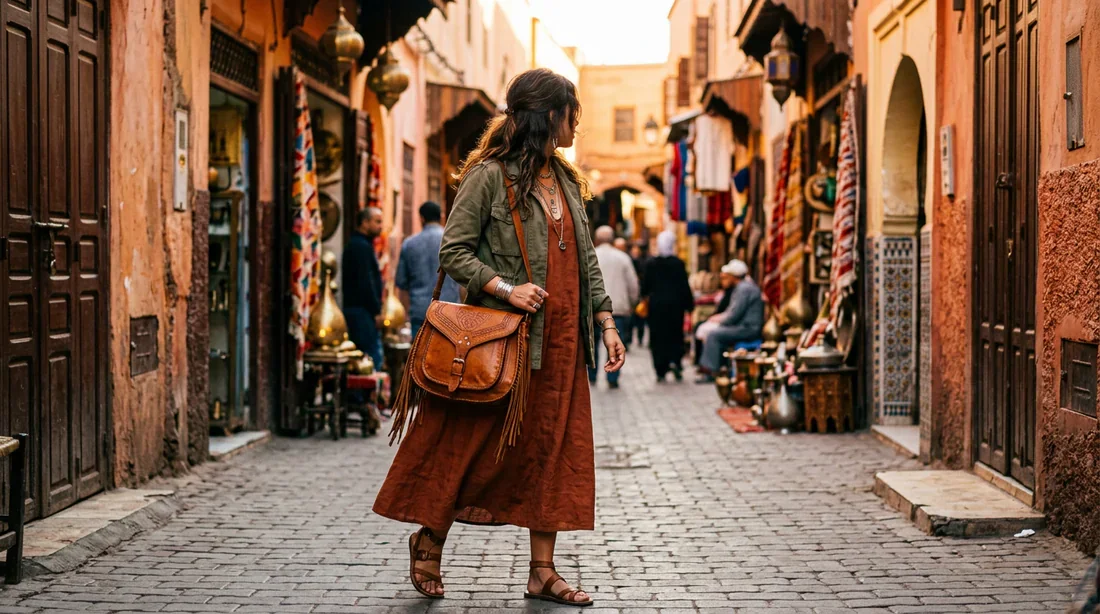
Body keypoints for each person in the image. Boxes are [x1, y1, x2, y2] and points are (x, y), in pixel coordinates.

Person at [373, 68, 624, 607]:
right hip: (504, 343)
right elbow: (453, 251)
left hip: (561, 346)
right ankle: (430, 540)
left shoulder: (569, 182)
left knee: (551, 453)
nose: (576, 122)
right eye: (570, 112)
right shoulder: (489, 176)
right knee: (470, 447)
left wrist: (605, 322)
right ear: (548, 116)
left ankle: (542, 571)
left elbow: (586, 263)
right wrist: (506, 288)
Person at [395, 201, 461, 339]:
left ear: (422, 218)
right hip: (450, 311)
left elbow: (401, 281)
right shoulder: (453, 241)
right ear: (442, 217)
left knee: (419, 357)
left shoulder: (409, 244)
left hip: (421, 312)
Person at [697, 259, 764, 383]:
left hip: (748, 328)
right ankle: (716, 366)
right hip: (745, 326)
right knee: (714, 332)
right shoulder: (743, 287)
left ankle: (711, 370)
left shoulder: (744, 289)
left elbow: (734, 314)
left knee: (714, 335)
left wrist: (720, 321)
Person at [641, 231, 694, 382]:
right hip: (675, 307)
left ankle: (660, 368)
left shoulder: (651, 264)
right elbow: (684, 286)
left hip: (657, 307)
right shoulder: (678, 264)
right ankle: (676, 362)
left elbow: (645, 287)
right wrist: (689, 306)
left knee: (658, 337)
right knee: (675, 335)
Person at [589, 226, 638, 388]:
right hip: (618, 308)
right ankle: (613, 376)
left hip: (593, 309)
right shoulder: (623, 258)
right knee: (616, 343)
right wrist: (632, 303)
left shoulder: (591, 255)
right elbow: (633, 285)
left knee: (593, 342)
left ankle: (592, 374)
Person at [343, 207, 385, 369]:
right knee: (369, 360)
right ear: (365, 223)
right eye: (377, 221)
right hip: (362, 312)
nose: (380, 226)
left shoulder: (361, 245)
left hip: (360, 311)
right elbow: (366, 283)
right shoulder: (360, 247)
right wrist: (375, 311)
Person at [693, 262, 739, 365]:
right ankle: (703, 363)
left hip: (737, 325)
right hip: (729, 320)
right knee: (701, 327)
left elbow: (734, 313)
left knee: (711, 333)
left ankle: (709, 366)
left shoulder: (739, 290)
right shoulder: (732, 290)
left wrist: (721, 319)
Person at [628, 242, 649, 347]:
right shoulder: (631, 261)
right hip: (635, 293)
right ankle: (632, 338)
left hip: (639, 293)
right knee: (635, 318)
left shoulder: (642, 262)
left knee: (640, 317)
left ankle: (637, 338)